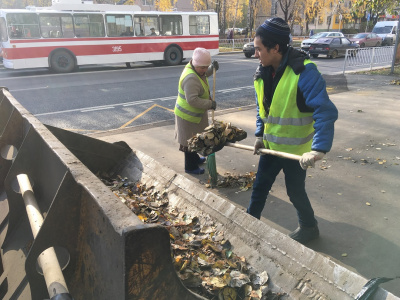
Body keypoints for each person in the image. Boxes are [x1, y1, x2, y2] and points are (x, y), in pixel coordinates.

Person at [247, 18, 338, 244]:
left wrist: (318, 150)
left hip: (296, 152)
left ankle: (309, 228)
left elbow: (325, 112)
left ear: (275, 48)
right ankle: (247, 224)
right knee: (259, 187)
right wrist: (260, 135)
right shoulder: (263, 72)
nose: (255, 53)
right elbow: (263, 108)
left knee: (295, 192)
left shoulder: (304, 73)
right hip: (270, 147)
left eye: (259, 49)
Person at [174, 48, 219, 175]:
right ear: (195, 64)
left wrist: (212, 69)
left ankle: (196, 159)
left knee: (195, 140)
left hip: (193, 116)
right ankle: (190, 167)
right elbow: (192, 100)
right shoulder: (190, 78)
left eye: (206, 67)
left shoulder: (195, 69)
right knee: (189, 143)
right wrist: (210, 104)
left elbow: (202, 75)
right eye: (203, 68)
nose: (205, 70)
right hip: (187, 117)